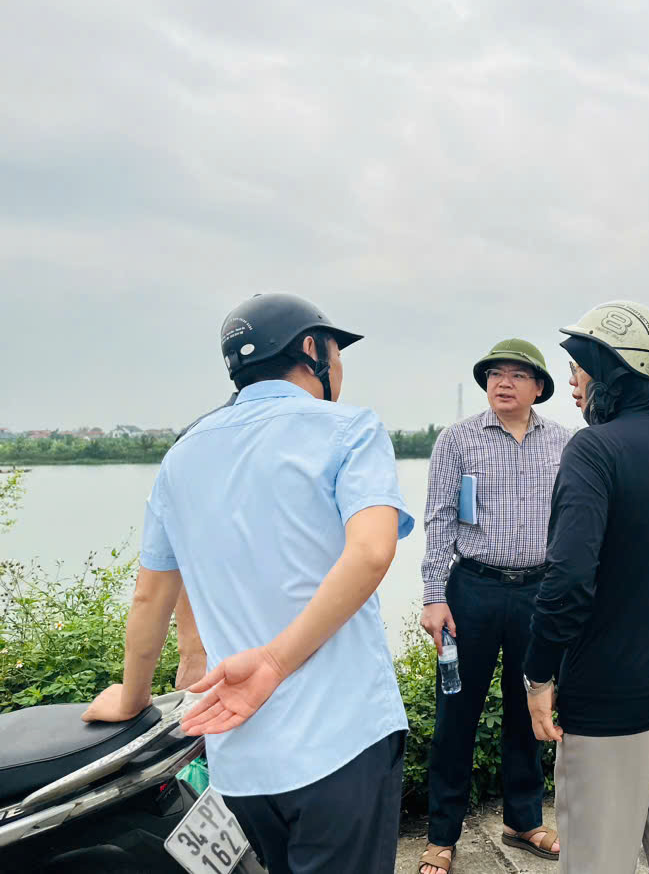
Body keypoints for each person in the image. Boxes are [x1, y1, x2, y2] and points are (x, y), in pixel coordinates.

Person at [83, 292, 415, 874]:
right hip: (343, 739)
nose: (340, 367)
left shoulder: (182, 456)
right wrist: (276, 662)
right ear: (312, 350)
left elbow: (150, 595)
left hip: (241, 758)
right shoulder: (350, 430)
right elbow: (371, 551)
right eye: (337, 352)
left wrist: (133, 695)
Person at [523, 301, 649, 874]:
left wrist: (539, 675)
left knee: (597, 861)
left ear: (611, 370)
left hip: (612, 695)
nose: (572, 381)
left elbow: (567, 581)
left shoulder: (593, 449)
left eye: (579, 367)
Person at [418, 339, 571, 874]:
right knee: (455, 712)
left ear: (539, 387)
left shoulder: (564, 442)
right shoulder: (458, 439)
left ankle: (523, 820)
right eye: (494, 374)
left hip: (538, 591)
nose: (503, 383)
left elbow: (573, 519)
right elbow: (440, 516)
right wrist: (434, 595)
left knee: (530, 707)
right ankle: (441, 835)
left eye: (517, 375)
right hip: (473, 590)